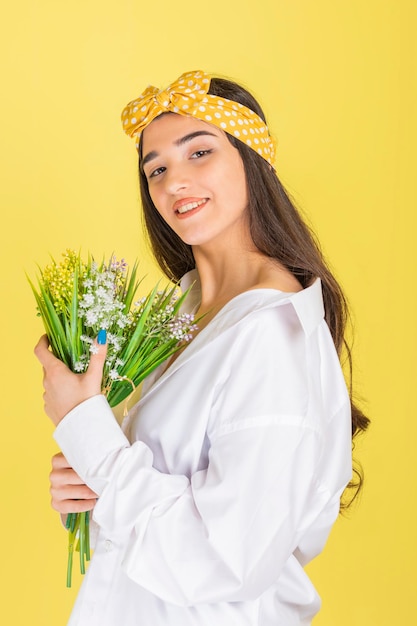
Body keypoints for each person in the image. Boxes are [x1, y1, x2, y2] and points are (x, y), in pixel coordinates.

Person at [35, 70, 369, 626]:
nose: (173, 183)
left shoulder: (270, 333)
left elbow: (223, 561)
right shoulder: (183, 310)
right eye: (156, 169)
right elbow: (158, 491)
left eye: (200, 153)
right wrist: (93, 485)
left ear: (251, 160)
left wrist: (83, 426)